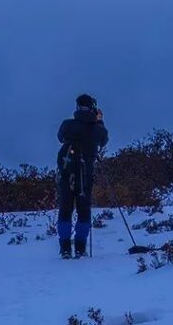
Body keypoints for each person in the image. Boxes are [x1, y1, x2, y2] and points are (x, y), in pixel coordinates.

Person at [56, 93, 108, 259]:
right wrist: (99, 120)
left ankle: (65, 248)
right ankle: (80, 248)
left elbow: (60, 137)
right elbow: (104, 140)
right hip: (85, 175)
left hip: (66, 173)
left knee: (65, 210)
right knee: (83, 211)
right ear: (93, 108)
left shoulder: (67, 124)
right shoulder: (97, 129)